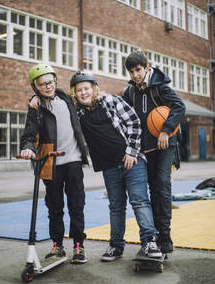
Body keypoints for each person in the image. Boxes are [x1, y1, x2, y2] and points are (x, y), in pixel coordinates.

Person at [69, 71, 162, 261]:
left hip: (131, 161)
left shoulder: (110, 101)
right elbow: (58, 100)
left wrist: (131, 151)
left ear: (93, 89)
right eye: (79, 90)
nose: (83, 93)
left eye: (86, 88)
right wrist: (36, 99)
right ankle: (116, 246)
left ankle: (150, 241)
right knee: (116, 207)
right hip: (109, 167)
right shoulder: (77, 113)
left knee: (139, 201)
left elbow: (134, 123)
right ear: (74, 93)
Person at [20, 63, 88, 264]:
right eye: (42, 85)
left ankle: (78, 246)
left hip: (73, 161)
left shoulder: (66, 98)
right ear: (35, 87)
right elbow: (29, 133)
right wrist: (28, 148)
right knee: (54, 206)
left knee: (77, 205)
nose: (47, 87)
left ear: (56, 81)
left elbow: (86, 96)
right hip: (51, 164)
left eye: (50, 82)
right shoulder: (36, 108)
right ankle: (58, 246)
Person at [123, 50, 186, 254]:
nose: (135, 75)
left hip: (165, 144)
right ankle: (156, 235)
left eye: (138, 70)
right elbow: (118, 110)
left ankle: (165, 237)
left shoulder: (160, 87)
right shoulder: (130, 92)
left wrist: (166, 130)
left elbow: (179, 107)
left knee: (162, 187)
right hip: (145, 147)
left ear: (147, 67)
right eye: (131, 71)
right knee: (152, 189)